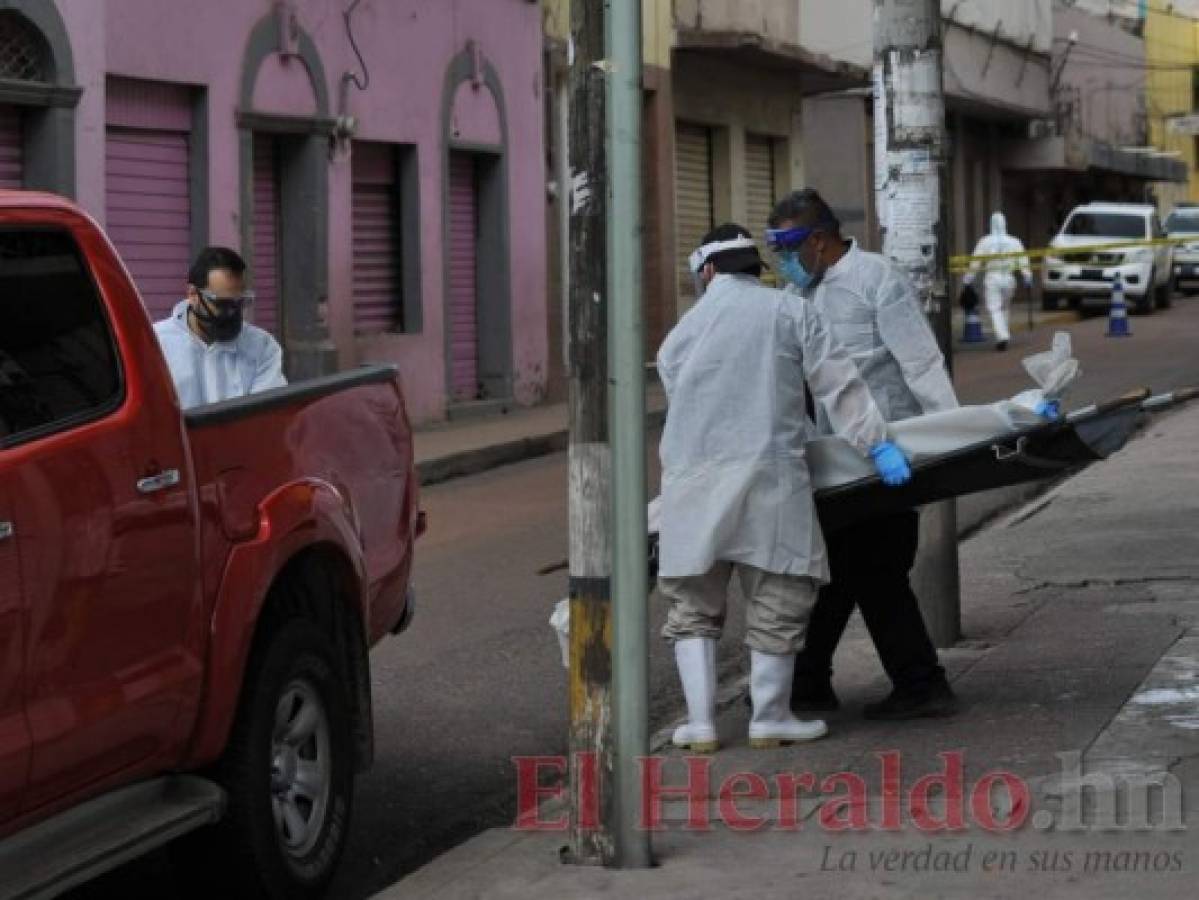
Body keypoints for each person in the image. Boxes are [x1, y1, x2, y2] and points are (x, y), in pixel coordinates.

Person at [657, 223, 912, 753]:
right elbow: (839, 385)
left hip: (693, 483)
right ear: (757, 269)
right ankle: (770, 717)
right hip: (771, 477)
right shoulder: (792, 311)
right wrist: (877, 444)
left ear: (706, 271)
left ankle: (701, 724)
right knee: (778, 594)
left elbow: (682, 402)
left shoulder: (681, 333)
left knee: (694, 605)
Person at [766, 188, 960, 720]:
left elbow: (920, 363)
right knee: (836, 573)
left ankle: (920, 685)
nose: (781, 262)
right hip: (832, 460)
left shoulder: (876, 279)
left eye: (786, 249)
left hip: (886, 457)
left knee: (875, 571)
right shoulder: (799, 296)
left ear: (819, 240)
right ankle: (812, 684)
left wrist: (954, 437)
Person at [154, 246, 286, 409]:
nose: (232, 313)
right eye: (222, 304)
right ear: (193, 295)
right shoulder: (156, 345)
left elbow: (265, 416)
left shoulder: (262, 346)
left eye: (240, 303)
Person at [963, 212, 1033, 351]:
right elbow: (1023, 261)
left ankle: (1002, 336)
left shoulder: (985, 241)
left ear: (991, 224)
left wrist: (967, 279)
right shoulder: (1014, 241)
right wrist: (1027, 277)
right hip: (1009, 279)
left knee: (995, 308)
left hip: (993, 278)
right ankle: (1004, 334)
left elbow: (976, 262)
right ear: (1005, 224)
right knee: (1005, 308)